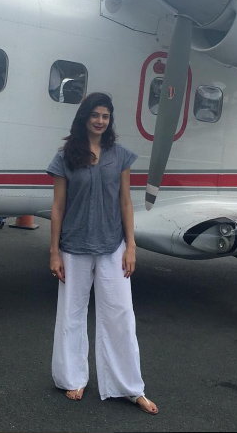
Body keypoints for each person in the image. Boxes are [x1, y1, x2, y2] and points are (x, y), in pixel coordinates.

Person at [46, 92, 158, 415]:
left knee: (120, 314)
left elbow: (125, 202)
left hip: (112, 245)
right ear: (84, 117)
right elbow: (58, 207)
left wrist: (131, 245)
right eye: (95, 115)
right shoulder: (66, 156)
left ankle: (130, 388)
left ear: (110, 120)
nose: (100, 121)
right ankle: (73, 378)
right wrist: (54, 252)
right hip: (74, 246)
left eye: (105, 116)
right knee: (71, 314)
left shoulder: (120, 156)